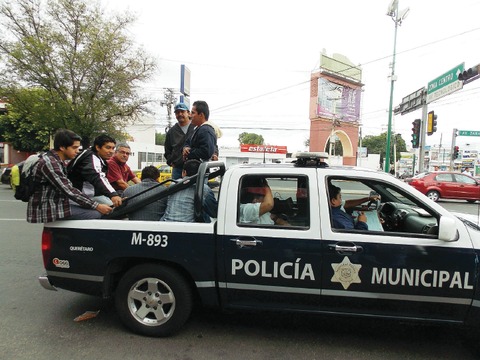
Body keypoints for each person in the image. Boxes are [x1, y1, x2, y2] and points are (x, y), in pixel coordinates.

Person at [27, 129, 112, 223]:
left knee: (98, 207)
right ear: (62, 147)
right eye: (74, 147)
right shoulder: (50, 163)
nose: (77, 151)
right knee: (96, 213)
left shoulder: (57, 161)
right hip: (49, 208)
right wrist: (97, 206)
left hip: (60, 203)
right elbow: (68, 190)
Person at [68, 134, 122, 207]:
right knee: (113, 210)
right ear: (97, 147)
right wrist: (113, 195)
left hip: (87, 197)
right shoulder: (91, 158)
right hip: (77, 199)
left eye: (113, 148)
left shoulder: (94, 156)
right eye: (108, 148)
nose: (111, 151)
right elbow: (97, 177)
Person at [165, 102, 195, 180]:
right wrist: (170, 161)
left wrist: (215, 153)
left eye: (182, 112)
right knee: (176, 190)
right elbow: (167, 150)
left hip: (195, 167)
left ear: (188, 113)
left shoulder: (196, 127)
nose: (180, 114)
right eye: (177, 112)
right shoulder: (172, 131)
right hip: (177, 169)